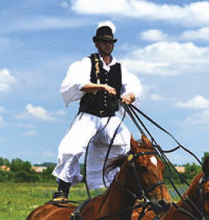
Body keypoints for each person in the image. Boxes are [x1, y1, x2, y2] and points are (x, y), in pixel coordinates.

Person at [51, 23, 142, 199]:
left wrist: (129, 96)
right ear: (97, 43)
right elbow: (78, 84)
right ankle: (63, 189)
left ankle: (126, 189)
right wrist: (101, 87)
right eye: (104, 42)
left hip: (110, 117)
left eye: (110, 42)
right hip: (89, 115)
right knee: (72, 148)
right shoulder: (87, 63)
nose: (108, 45)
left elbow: (133, 88)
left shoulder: (120, 68)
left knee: (126, 147)